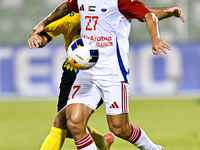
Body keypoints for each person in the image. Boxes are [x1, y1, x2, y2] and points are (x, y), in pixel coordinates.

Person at [29, 1, 185, 149]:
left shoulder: (120, 1)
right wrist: (43, 23)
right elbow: (67, 6)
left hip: (113, 73)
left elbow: (148, 15)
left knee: (119, 128)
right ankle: (101, 144)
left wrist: (155, 38)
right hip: (87, 73)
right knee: (74, 123)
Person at [28, 12, 115, 150]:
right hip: (72, 74)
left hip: (99, 75)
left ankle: (102, 142)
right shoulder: (70, 16)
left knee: (63, 121)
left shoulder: (108, 12)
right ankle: (102, 142)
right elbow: (45, 35)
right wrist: (38, 39)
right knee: (68, 124)